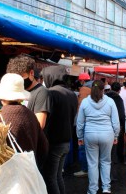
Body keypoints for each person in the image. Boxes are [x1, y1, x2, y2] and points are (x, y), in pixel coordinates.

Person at [0, 73, 48, 167]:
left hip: (5, 173)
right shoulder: (31, 115)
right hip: (28, 171)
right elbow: (44, 147)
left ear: (2, 96)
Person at [76, 80, 120, 194]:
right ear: (103, 89)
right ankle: (106, 188)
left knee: (92, 163)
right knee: (106, 161)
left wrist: (79, 137)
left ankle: (93, 189)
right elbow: (115, 122)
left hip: (90, 134)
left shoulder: (85, 102)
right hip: (107, 134)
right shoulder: (110, 101)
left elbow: (80, 122)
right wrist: (116, 135)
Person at [42, 65, 78, 194]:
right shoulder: (72, 94)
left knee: (50, 177)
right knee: (57, 176)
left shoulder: (51, 93)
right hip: (66, 141)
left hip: (53, 141)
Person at [6, 54, 51, 129]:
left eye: (22, 77)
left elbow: (39, 124)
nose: (19, 81)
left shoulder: (41, 92)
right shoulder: (18, 91)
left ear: (31, 73)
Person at [73, 73, 92, 178]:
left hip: (85, 122)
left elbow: (80, 107)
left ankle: (85, 169)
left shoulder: (84, 89)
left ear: (82, 81)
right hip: (93, 123)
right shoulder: (94, 89)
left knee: (82, 146)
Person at [106, 82, 126, 164]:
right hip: (116, 125)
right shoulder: (118, 99)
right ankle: (118, 159)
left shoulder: (105, 97)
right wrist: (123, 125)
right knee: (117, 143)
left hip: (105, 124)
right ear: (119, 90)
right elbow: (121, 114)